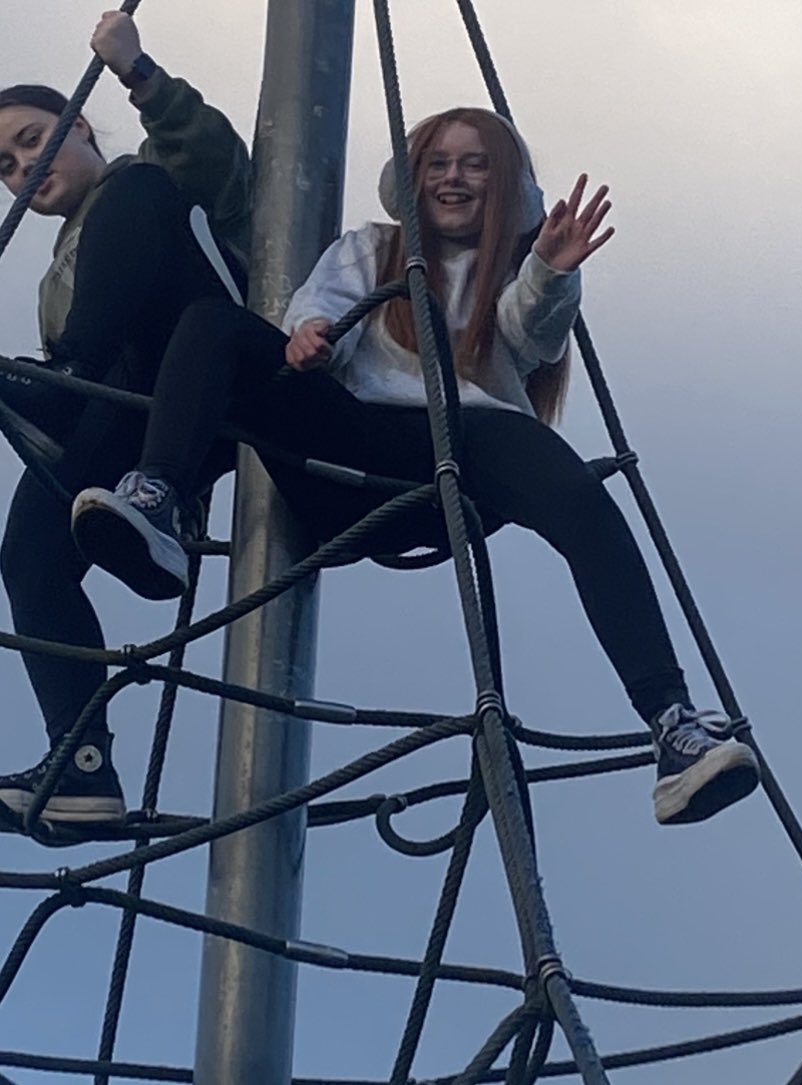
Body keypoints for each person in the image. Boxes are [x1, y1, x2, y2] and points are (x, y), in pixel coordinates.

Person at [70, 107, 761, 826]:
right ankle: (156, 496)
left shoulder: (517, 269)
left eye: (473, 163)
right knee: (215, 323)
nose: (453, 178)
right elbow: (321, 310)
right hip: (354, 443)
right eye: (436, 163)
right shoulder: (371, 248)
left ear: (502, 183)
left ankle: (672, 724)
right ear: (413, 178)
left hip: (462, 454)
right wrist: (309, 338)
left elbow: (527, 338)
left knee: (580, 496)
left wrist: (551, 272)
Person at [0, 10, 250, 822]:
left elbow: (219, 160)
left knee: (135, 190)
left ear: (79, 128)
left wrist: (138, 74)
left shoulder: (148, 182)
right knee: (28, 547)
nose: (21, 168)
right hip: (120, 410)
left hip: (207, 365)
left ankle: (74, 402)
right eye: (4, 166)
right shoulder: (56, 279)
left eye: (33, 141)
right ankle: (82, 762)